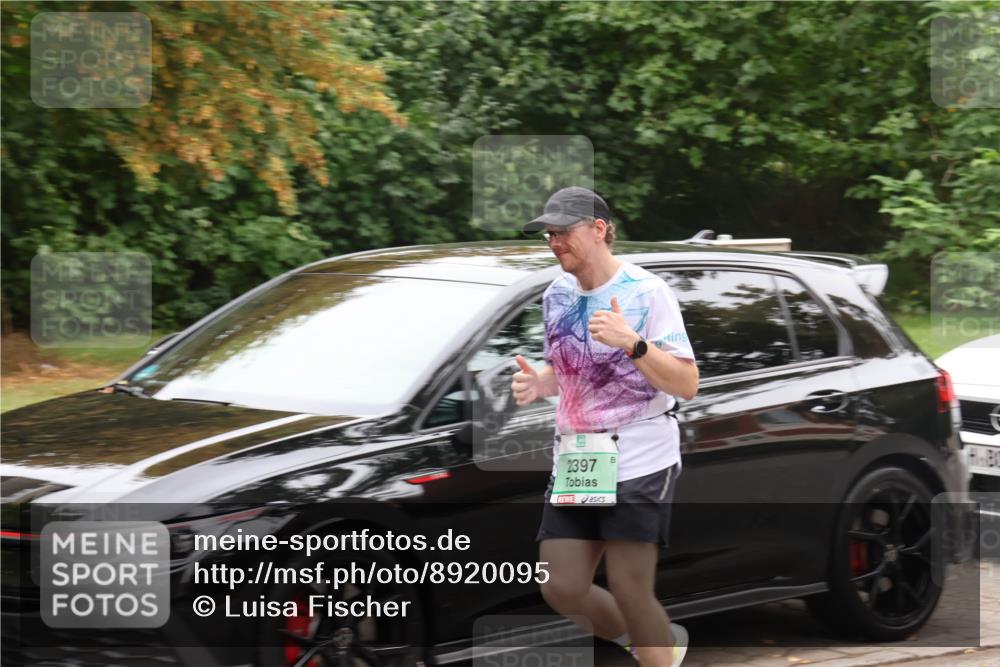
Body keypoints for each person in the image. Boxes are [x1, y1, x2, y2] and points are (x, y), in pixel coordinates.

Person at [511, 186, 698, 667]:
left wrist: (633, 343)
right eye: (549, 234)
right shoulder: (556, 294)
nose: (554, 242)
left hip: (639, 455)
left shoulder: (646, 293)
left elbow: (687, 383)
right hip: (579, 457)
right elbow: (578, 371)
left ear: (598, 230)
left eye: (563, 231)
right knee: (562, 586)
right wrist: (542, 384)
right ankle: (647, 642)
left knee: (631, 590)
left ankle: (654, 649)